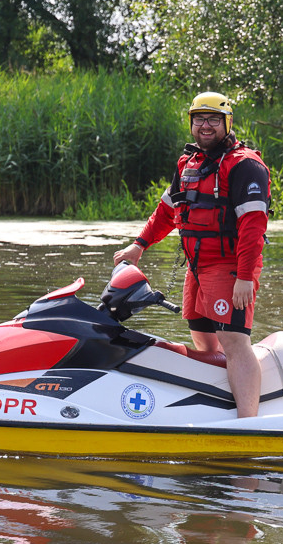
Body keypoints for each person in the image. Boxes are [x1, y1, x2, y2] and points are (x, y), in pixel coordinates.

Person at [113, 92, 271, 418]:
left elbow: (253, 228)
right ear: (191, 123)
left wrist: (244, 277)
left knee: (234, 341)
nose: (205, 125)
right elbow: (166, 211)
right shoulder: (189, 163)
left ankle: (248, 421)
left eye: (213, 119)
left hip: (229, 268)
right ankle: (215, 403)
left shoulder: (245, 166)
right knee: (202, 339)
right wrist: (139, 244)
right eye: (199, 119)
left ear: (227, 123)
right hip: (196, 268)